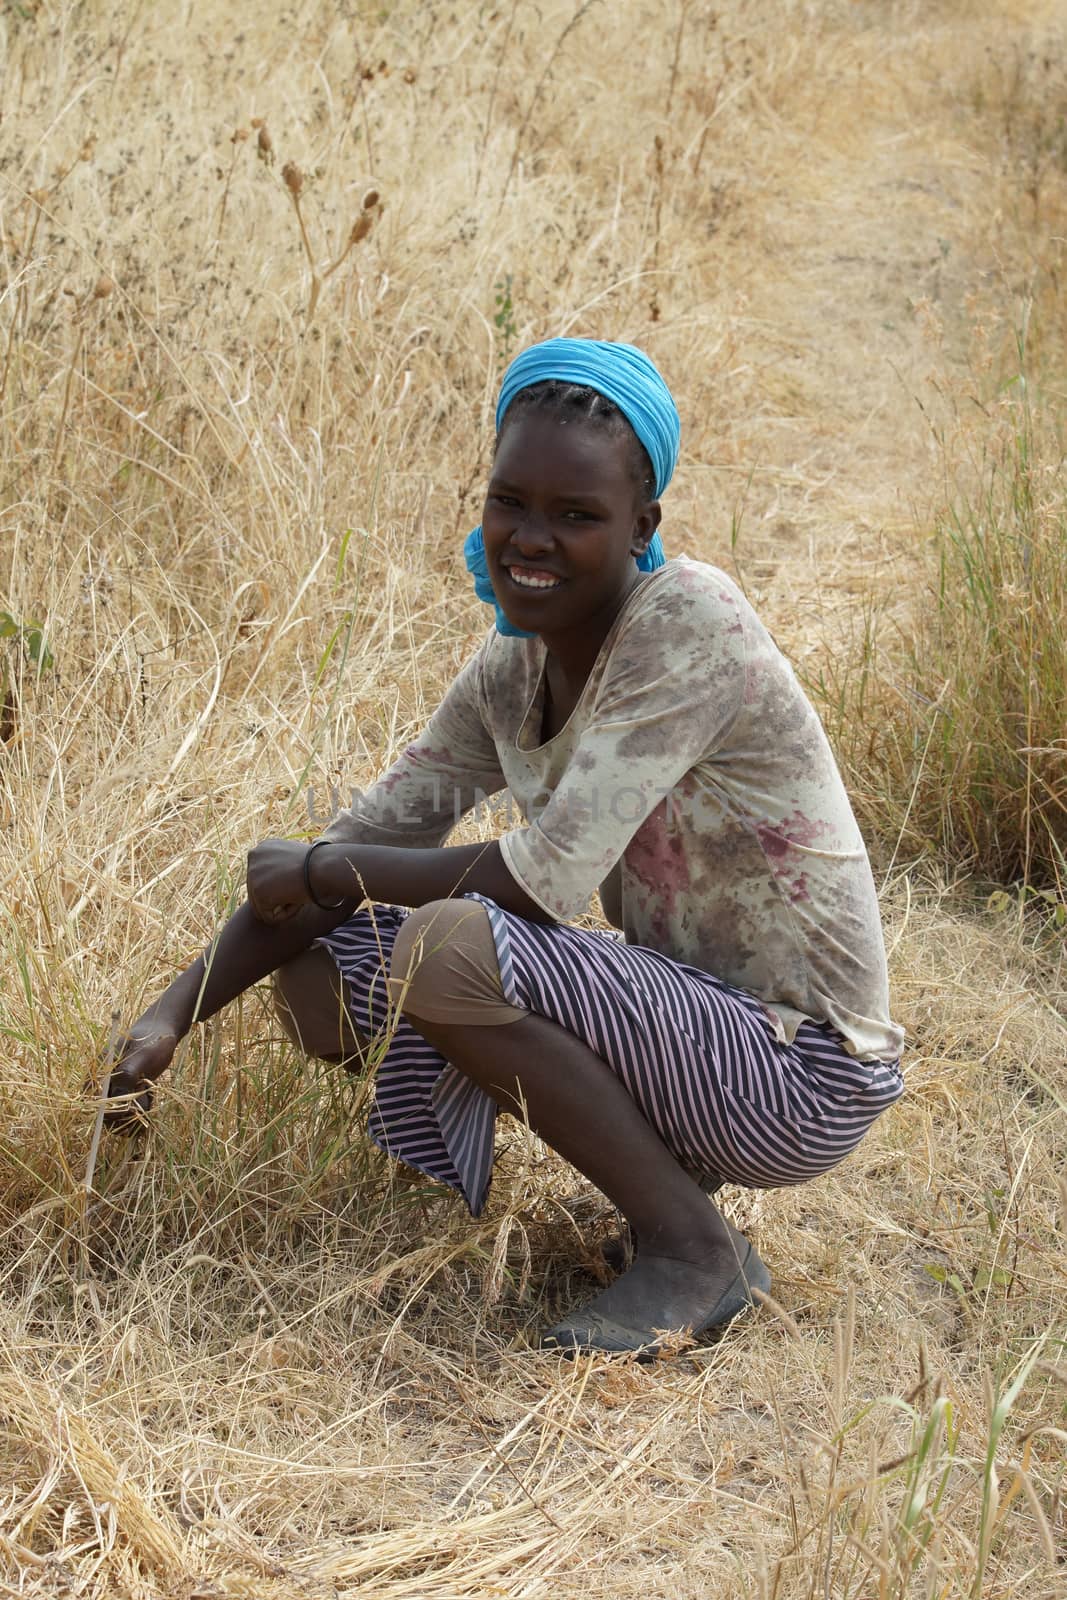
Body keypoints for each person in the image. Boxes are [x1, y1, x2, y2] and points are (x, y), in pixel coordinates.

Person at [105, 338, 904, 1358]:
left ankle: (689, 1249)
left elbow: (540, 881)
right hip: (687, 1030)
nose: (531, 539)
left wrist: (319, 868)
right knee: (320, 970)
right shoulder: (509, 671)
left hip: (802, 1072)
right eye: (510, 503)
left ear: (641, 527)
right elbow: (367, 840)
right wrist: (172, 1011)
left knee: (445, 947)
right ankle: (671, 1203)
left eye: (577, 516)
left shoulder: (687, 624)